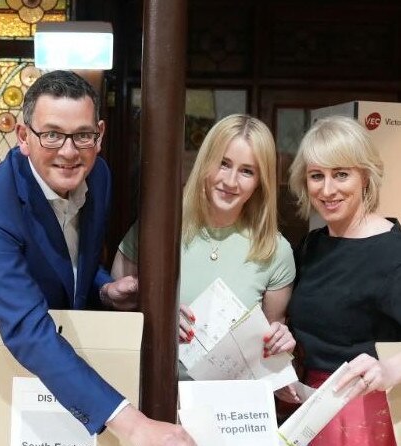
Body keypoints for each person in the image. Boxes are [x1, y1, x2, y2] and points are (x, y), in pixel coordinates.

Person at [0, 70, 195, 446]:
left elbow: (65, 260)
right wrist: (134, 424)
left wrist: (104, 289)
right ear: (24, 137)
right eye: (51, 134)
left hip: (58, 379)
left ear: (99, 135)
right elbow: (24, 327)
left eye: (82, 135)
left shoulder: (98, 175)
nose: (69, 152)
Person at [114, 114, 296, 370]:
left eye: (247, 171)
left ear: (260, 182)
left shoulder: (275, 250)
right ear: (205, 162)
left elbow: (269, 349)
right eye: (223, 163)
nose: (230, 181)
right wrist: (155, 314)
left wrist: (281, 341)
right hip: (153, 392)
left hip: (230, 403)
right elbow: (115, 310)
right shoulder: (156, 229)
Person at [288, 115, 401, 445]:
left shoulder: (394, 252)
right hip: (310, 408)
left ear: (365, 176)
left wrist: (390, 370)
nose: (327, 189)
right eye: (316, 176)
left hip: (369, 416)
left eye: (341, 174)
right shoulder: (312, 245)